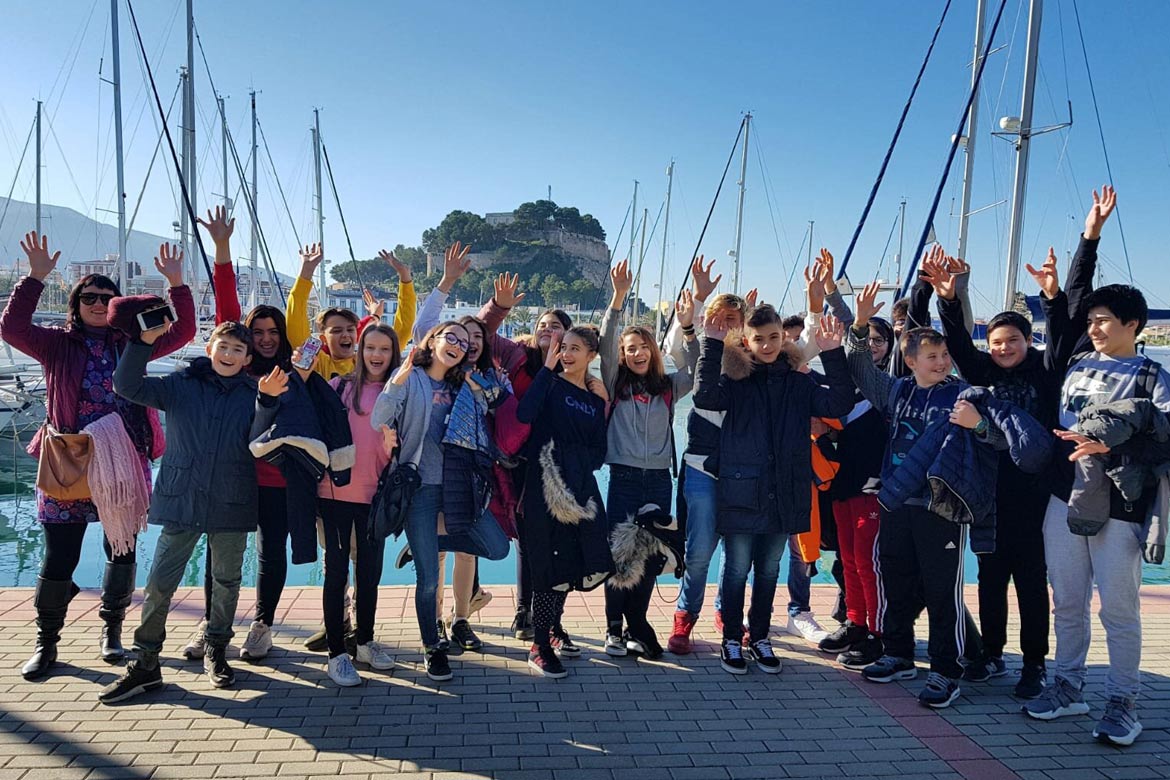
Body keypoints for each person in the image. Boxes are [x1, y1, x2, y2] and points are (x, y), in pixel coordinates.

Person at [1, 232, 195, 680]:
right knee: (58, 557)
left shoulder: (134, 344)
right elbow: (11, 329)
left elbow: (184, 331)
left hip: (124, 463)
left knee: (120, 549)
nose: (98, 301)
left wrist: (177, 284)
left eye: (107, 297)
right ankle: (46, 642)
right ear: (76, 303)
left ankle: (112, 634)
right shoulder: (55, 344)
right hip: (68, 458)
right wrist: (34, 278)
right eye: (89, 296)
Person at [1023, 188, 1168, 747]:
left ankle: (1124, 702)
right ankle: (1067, 685)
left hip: (1121, 504)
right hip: (1064, 497)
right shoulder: (1074, 360)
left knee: (1120, 609)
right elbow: (1076, 296)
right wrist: (1090, 235)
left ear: (1134, 324)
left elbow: (1165, 442)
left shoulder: (1153, 379)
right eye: (1093, 320)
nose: (1096, 326)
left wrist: (1115, 451)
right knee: (1068, 600)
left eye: (1106, 320)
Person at [99, 321, 283, 702]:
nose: (229, 355)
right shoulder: (180, 385)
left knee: (227, 581)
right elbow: (126, 385)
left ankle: (217, 650)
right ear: (210, 348)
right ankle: (146, 661)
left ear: (248, 358)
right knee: (159, 583)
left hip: (231, 500)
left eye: (238, 350)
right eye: (224, 347)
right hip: (182, 499)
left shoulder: (255, 392)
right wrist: (141, 343)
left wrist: (266, 401)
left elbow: (261, 439)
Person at [847, 280, 1007, 708]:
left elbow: (998, 441)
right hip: (898, 502)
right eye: (931, 356)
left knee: (942, 591)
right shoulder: (897, 392)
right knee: (896, 580)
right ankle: (899, 653)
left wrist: (978, 425)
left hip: (942, 507)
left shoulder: (963, 394)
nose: (941, 361)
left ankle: (946, 671)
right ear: (911, 360)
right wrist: (860, 325)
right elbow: (860, 370)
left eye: (944, 355)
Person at [924, 243, 1067, 698]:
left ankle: (1034, 664)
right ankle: (990, 655)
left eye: (1013, 341)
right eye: (998, 341)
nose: (1003, 348)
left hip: (1034, 493)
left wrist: (1054, 297)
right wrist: (949, 299)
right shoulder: (983, 370)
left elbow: (1062, 338)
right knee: (989, 577)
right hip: (990, 492)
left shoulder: (1045, 373)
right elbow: (960, 345)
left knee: (1029, 580)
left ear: (1029, 342)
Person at [694, 302, 854, 676]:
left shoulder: (800, 382)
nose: (766, 345)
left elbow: (839, 402)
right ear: (746, 341)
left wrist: (832, 353)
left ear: (783, 338)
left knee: (768, 571)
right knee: (735, 569)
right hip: (741, 491)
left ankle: (760, 637)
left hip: (783, 492)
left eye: (773, 338)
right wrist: (712, 344)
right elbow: (704, 397)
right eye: (759, 338)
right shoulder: (735, 383)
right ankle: (732, 637)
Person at [184, 206, 301, 664]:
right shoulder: (236, 365)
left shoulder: (293, 371)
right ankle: (214, 626)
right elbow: (227, 305)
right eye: (258, 331)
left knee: (272, 552)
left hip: (275, 479)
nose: (266, 338)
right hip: (232, 475)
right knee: (221, 554)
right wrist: (222, 248)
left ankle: (263, 625)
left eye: (273, 331)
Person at [371, 321, 510, 682]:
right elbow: (379, 418)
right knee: (430, 582)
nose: (458, 345)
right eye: (451, 337)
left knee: (496, 548)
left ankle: (423, 544)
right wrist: (398, 378)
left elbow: (498, 408)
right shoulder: (413, 378)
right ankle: (433, 647)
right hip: (421, 487)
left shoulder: (464, 383)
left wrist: (486, 386)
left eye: (464, 343)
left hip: (460, 487)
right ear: (431, 341)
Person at [474, 268, 580, 640]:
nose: (547, 331)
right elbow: (480, 336)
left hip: (557, 465)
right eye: (543, 324)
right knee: (525, 537)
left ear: (567, 335)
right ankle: (525, 612)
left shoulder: (574, 365)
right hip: (517, 462)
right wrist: (498, 307)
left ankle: (550, 617)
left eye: (556, 326)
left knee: (556, 541)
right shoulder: (515, 354)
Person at [599, 260, 698, 658]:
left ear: (654, 351)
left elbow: (695, 367)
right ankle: (613, 630)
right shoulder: (614, 383)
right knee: (619, 554)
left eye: (644, 347)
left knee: (651, 555)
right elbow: (604, 346)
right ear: (623, 355)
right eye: (630, 348)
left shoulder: (668, 388)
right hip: (623, 478)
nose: (638, 353)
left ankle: (638, 625)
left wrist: (689, 327)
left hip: (659, 480)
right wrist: (618, 300)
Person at [515, 326, 613, 678]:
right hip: (543, 489)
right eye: (563, 347)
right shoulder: (549, 385)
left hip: (580, 493)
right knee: (546, 567)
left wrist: (573, 459)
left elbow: (600, 452)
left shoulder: (592, 400)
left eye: (575, 348)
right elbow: (524, 415)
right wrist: (545, 370)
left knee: (571, 563)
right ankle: (539, 644)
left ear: (592, 356)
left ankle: (552, 631)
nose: (567, 354)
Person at [318, 323, 400, 686]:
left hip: (375, 497)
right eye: (370, 348)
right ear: (360, 350)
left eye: (384, 349)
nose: (377, 355)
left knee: (370, 576)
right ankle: (336, 654)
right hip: (334, 494)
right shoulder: (341, 387)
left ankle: (364, 642)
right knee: (337, 575)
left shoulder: (398, 393)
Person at [288, 243, 416, 379]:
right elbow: (295, 322)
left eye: (350, 330)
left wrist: (405, 278)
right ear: (323, 338)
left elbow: (404, 330)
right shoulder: (317, 363)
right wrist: (306, 272)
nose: (345, 335)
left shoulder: (368, 363)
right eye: (336, 330)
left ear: (357, 336)